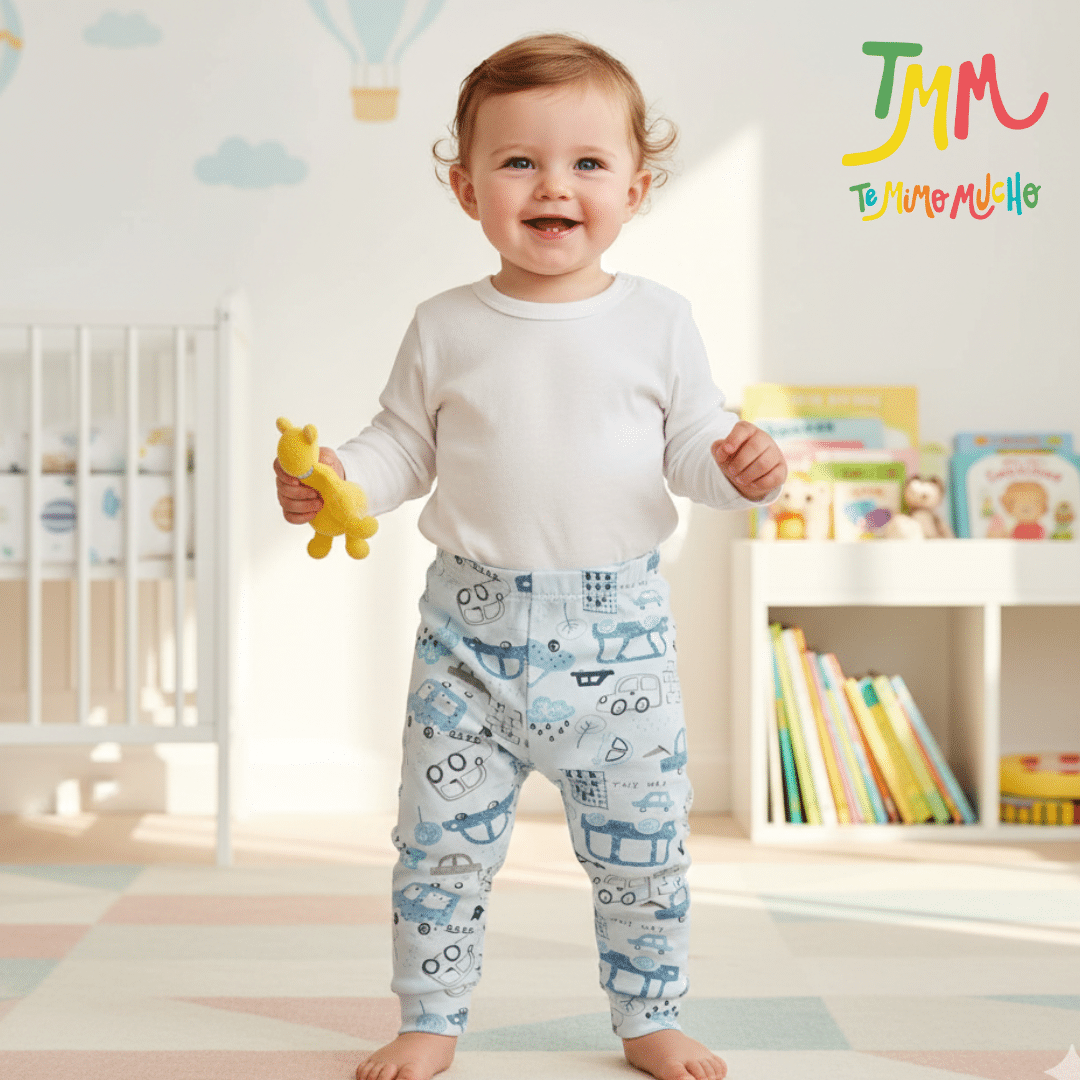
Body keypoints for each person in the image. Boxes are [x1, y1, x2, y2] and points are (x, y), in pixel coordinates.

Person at [275, 32, 786, 1080]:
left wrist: (739, 468)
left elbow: (693, 449)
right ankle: (430, 1017)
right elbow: (402, 446)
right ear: (467, 188)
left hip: (620, 642)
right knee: (438, 848)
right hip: (467, 641)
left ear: (636, 188)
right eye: (519, 161)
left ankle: (649, 1017)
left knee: (644, 853)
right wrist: (338, 478)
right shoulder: (445, 326)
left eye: (587, 162)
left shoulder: (659, 321)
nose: (554, 185)